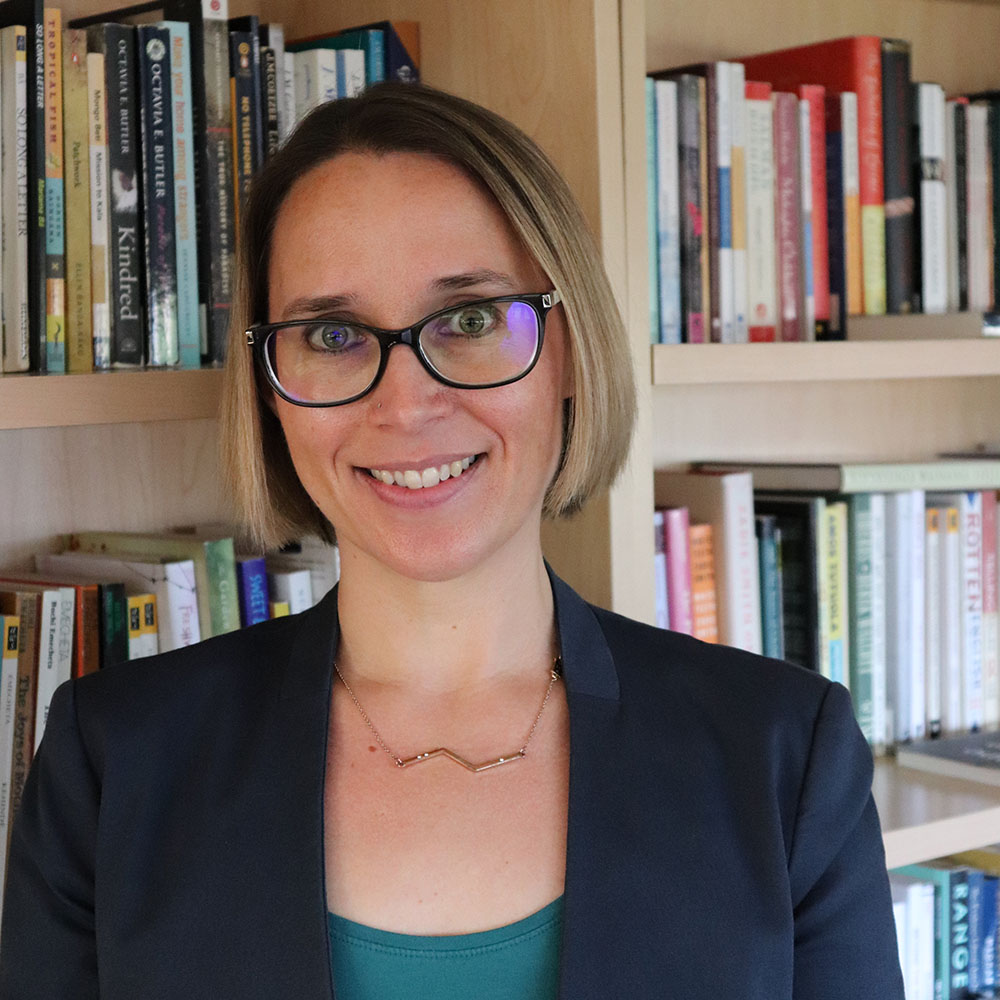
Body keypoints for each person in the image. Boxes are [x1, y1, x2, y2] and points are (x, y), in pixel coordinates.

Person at [0, 83, 904, 999]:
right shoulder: (110, 762)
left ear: (570, 352)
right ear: (272, 392)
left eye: (470, 320)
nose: (405, 405)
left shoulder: (785, 758)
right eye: (332, 333)